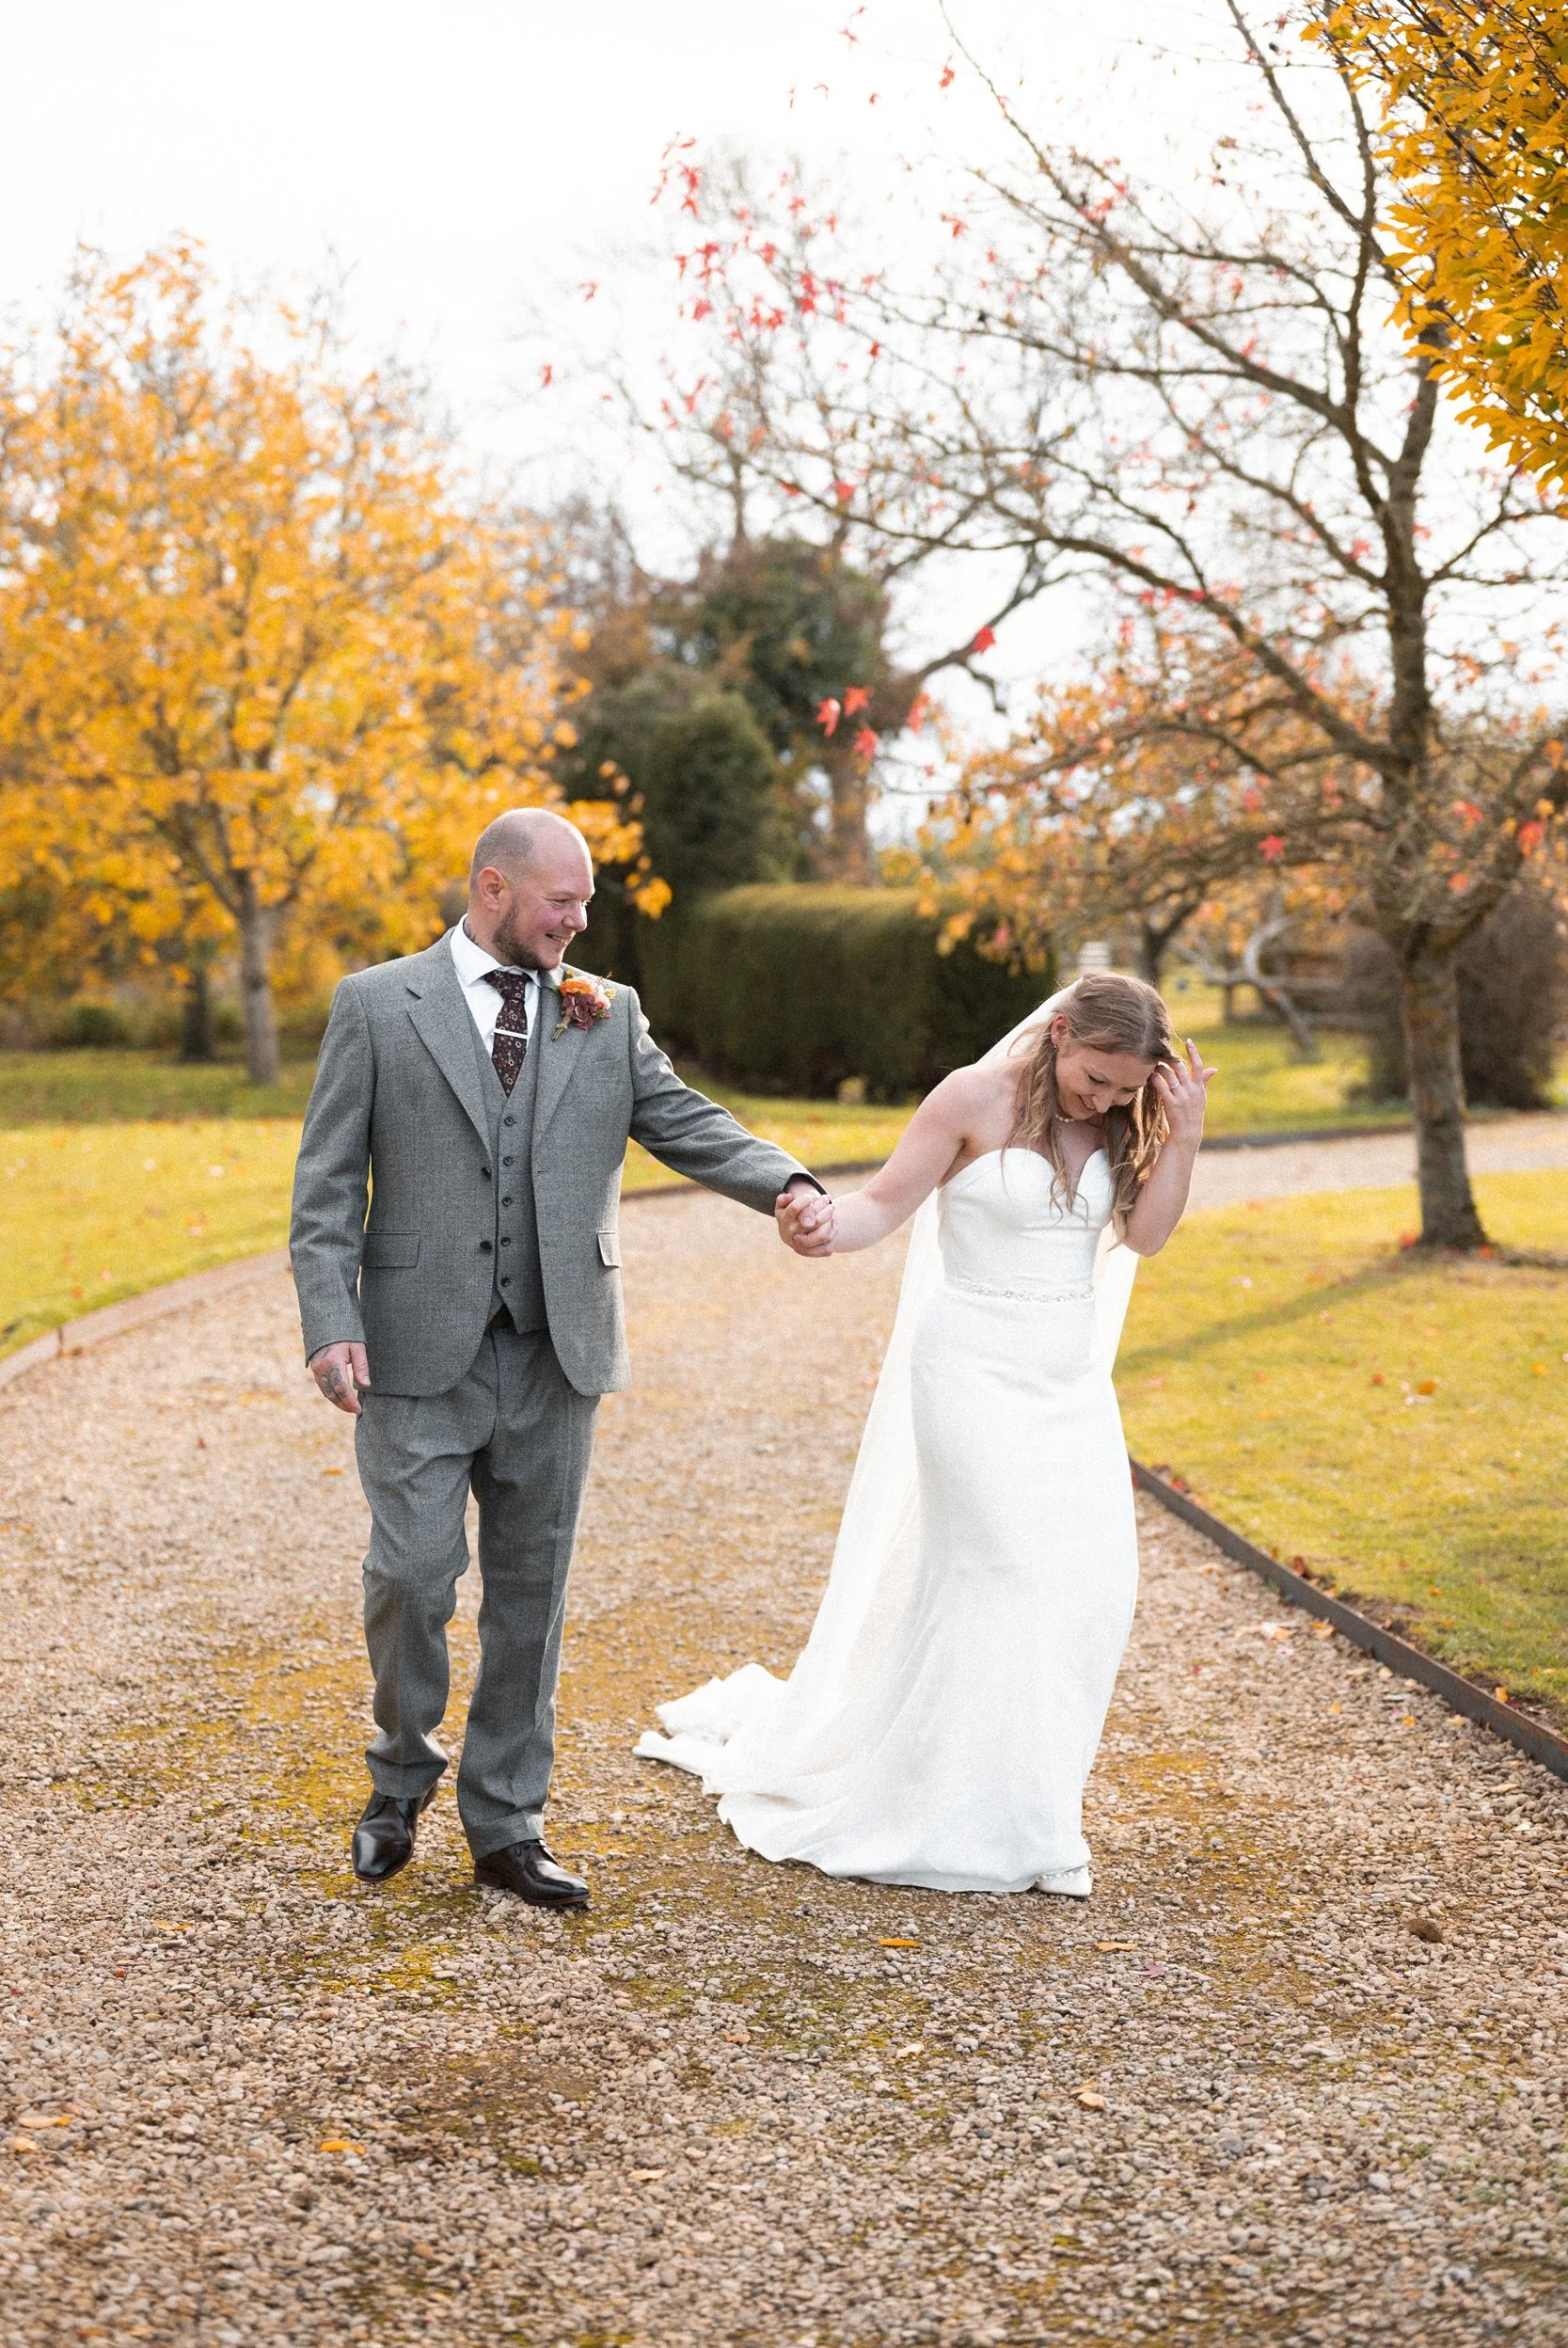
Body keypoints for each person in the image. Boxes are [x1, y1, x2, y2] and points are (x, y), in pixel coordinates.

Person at [290, 808, 828, 1907]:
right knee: (411, 1574)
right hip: (409, 1347)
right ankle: (398, 1777)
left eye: (584, 903)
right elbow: (326, 1185)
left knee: (530, 1594)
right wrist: (327, 1317)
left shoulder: (604, 1011)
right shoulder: (375, 1004)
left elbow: (679, 1117)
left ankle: (506, 1821)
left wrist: (786, 1181)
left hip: (556, 1349)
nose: (580, 922)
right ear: (492, 888)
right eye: (563, 901)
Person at [639, 973, 1213, 1897]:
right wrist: (820, 1225)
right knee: (996, 1572)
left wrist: (1177, 1130)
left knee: (1091, 1582)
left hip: (1066, 1383)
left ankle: (1024, 1807)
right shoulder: (970, 1097)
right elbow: (880, 1206)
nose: (1102, 1098)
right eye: (1095, 1077)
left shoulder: (1123, 1118)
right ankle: (940, 1809)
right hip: (971, 1369)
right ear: (1058, 1032)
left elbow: (1142, 1236)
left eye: (1123, 1087)